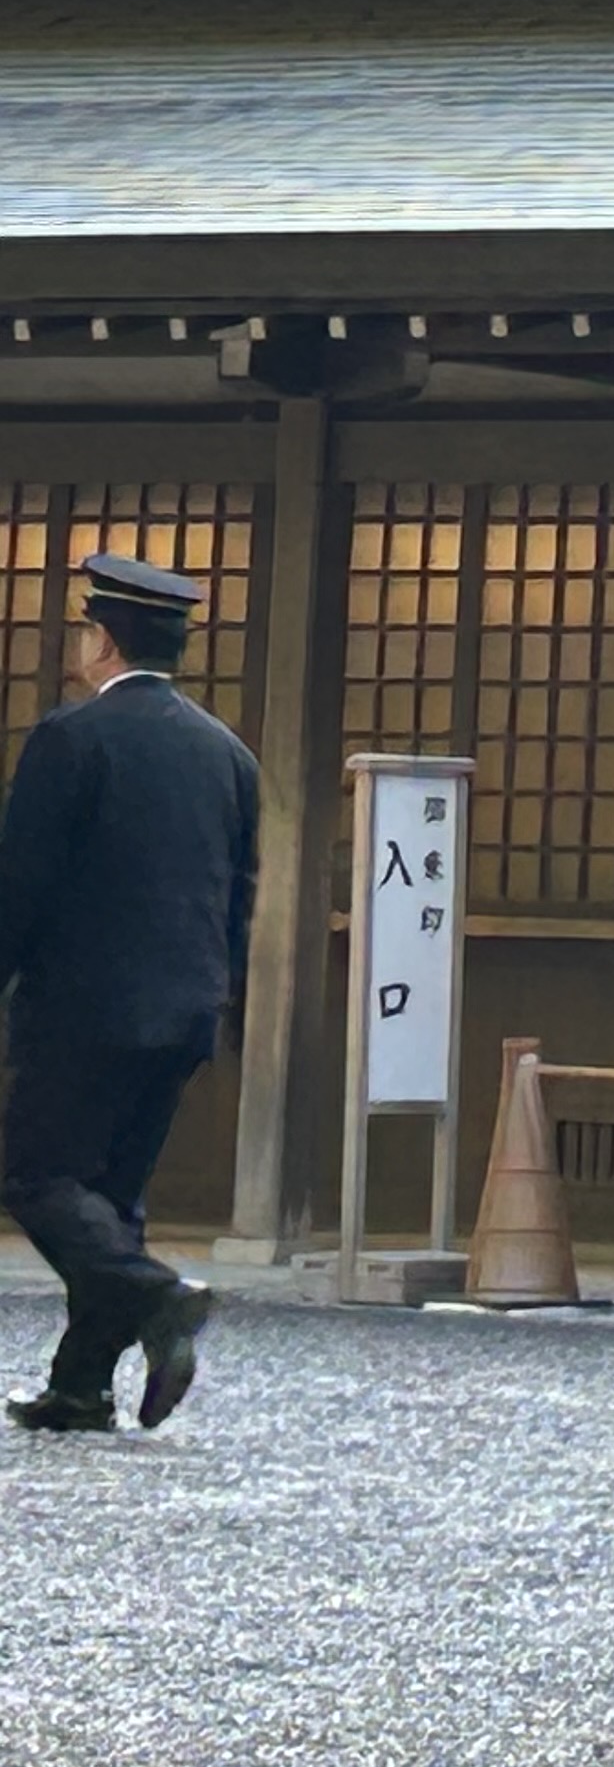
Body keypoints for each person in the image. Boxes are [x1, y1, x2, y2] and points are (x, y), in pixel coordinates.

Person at [0, 555, 257, 1434]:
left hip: (84, 1008)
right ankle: (80, 1386)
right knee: (110, 1196)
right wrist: (217, 1000)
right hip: (186, 1007)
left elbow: (19, 885)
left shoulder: (72, 739)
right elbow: (239, 897)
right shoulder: (229, 753)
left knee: (36, 1175)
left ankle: (158, 1298)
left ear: (101, 638)